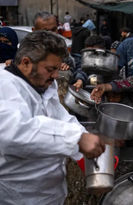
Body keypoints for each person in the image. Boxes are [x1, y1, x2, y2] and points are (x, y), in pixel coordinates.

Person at [0, 30, 105, 204]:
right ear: (26, 63)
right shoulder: (5, 86)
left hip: (50, 194)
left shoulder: (44, 84)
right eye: (50, 69)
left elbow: (61, 118)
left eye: (57, 69)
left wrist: (88, 147)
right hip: (17, 196)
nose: (56, 75)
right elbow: (14, 133)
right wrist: (76, 139)